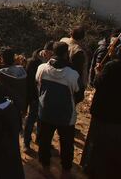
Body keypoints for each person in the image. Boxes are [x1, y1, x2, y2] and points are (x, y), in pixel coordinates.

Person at [82, 60, 121, 178]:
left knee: (96, 148)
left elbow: (96, 82)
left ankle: (91, 168)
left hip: (101, 121)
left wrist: (98, 72)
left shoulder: (104, 83)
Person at [35, 41, 80, 175]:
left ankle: (45, 166)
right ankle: (66, 169)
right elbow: (79, 94)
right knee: (66, 144)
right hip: (66, 116)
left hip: (45, 112)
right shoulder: (73, 75)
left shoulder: (42, 68)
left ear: (53, 53)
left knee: (44, 141)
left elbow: (37, 84)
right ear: (67, 54)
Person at [23, 42, 54, 150]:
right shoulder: (32, 62)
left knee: (42, 119)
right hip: (34, 96)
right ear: (45, 52)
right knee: (31, 119)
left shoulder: (52, 62)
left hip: (44, 96)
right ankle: (26, 142)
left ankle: (39, 139)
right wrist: (30, 97)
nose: (52, 56)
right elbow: (28, 82)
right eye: (51, 53)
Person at [60, 26, 88, 101]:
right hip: (71, 84)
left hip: (59, 77)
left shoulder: (63, 40)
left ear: (71, 33)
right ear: (82, 38)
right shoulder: (78, 51)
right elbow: (79, 72)